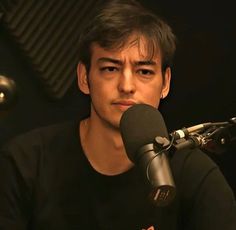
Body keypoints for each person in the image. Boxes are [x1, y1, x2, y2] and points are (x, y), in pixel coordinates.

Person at [0, 0, 236, 229]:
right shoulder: (25, 163)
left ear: (165, 83)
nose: (126, 85)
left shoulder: (195, 176)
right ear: (84, 77)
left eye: (144, 71)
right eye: (110, 69)